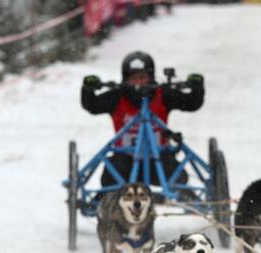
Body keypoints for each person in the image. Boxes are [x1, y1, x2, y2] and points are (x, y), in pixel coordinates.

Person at [81, 51, 205, 187]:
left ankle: (178, 197)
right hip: (125, 160)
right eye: (134, 78)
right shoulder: (117, 97)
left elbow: (192, 103)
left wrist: (197, 88)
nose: (138, 83)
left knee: (178, 177)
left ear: (151, 77)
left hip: (158, 159)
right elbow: (92, 105)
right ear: (125, 79)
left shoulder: (163, 95)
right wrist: (88, 89)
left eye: (142, 78)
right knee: (110, 179)